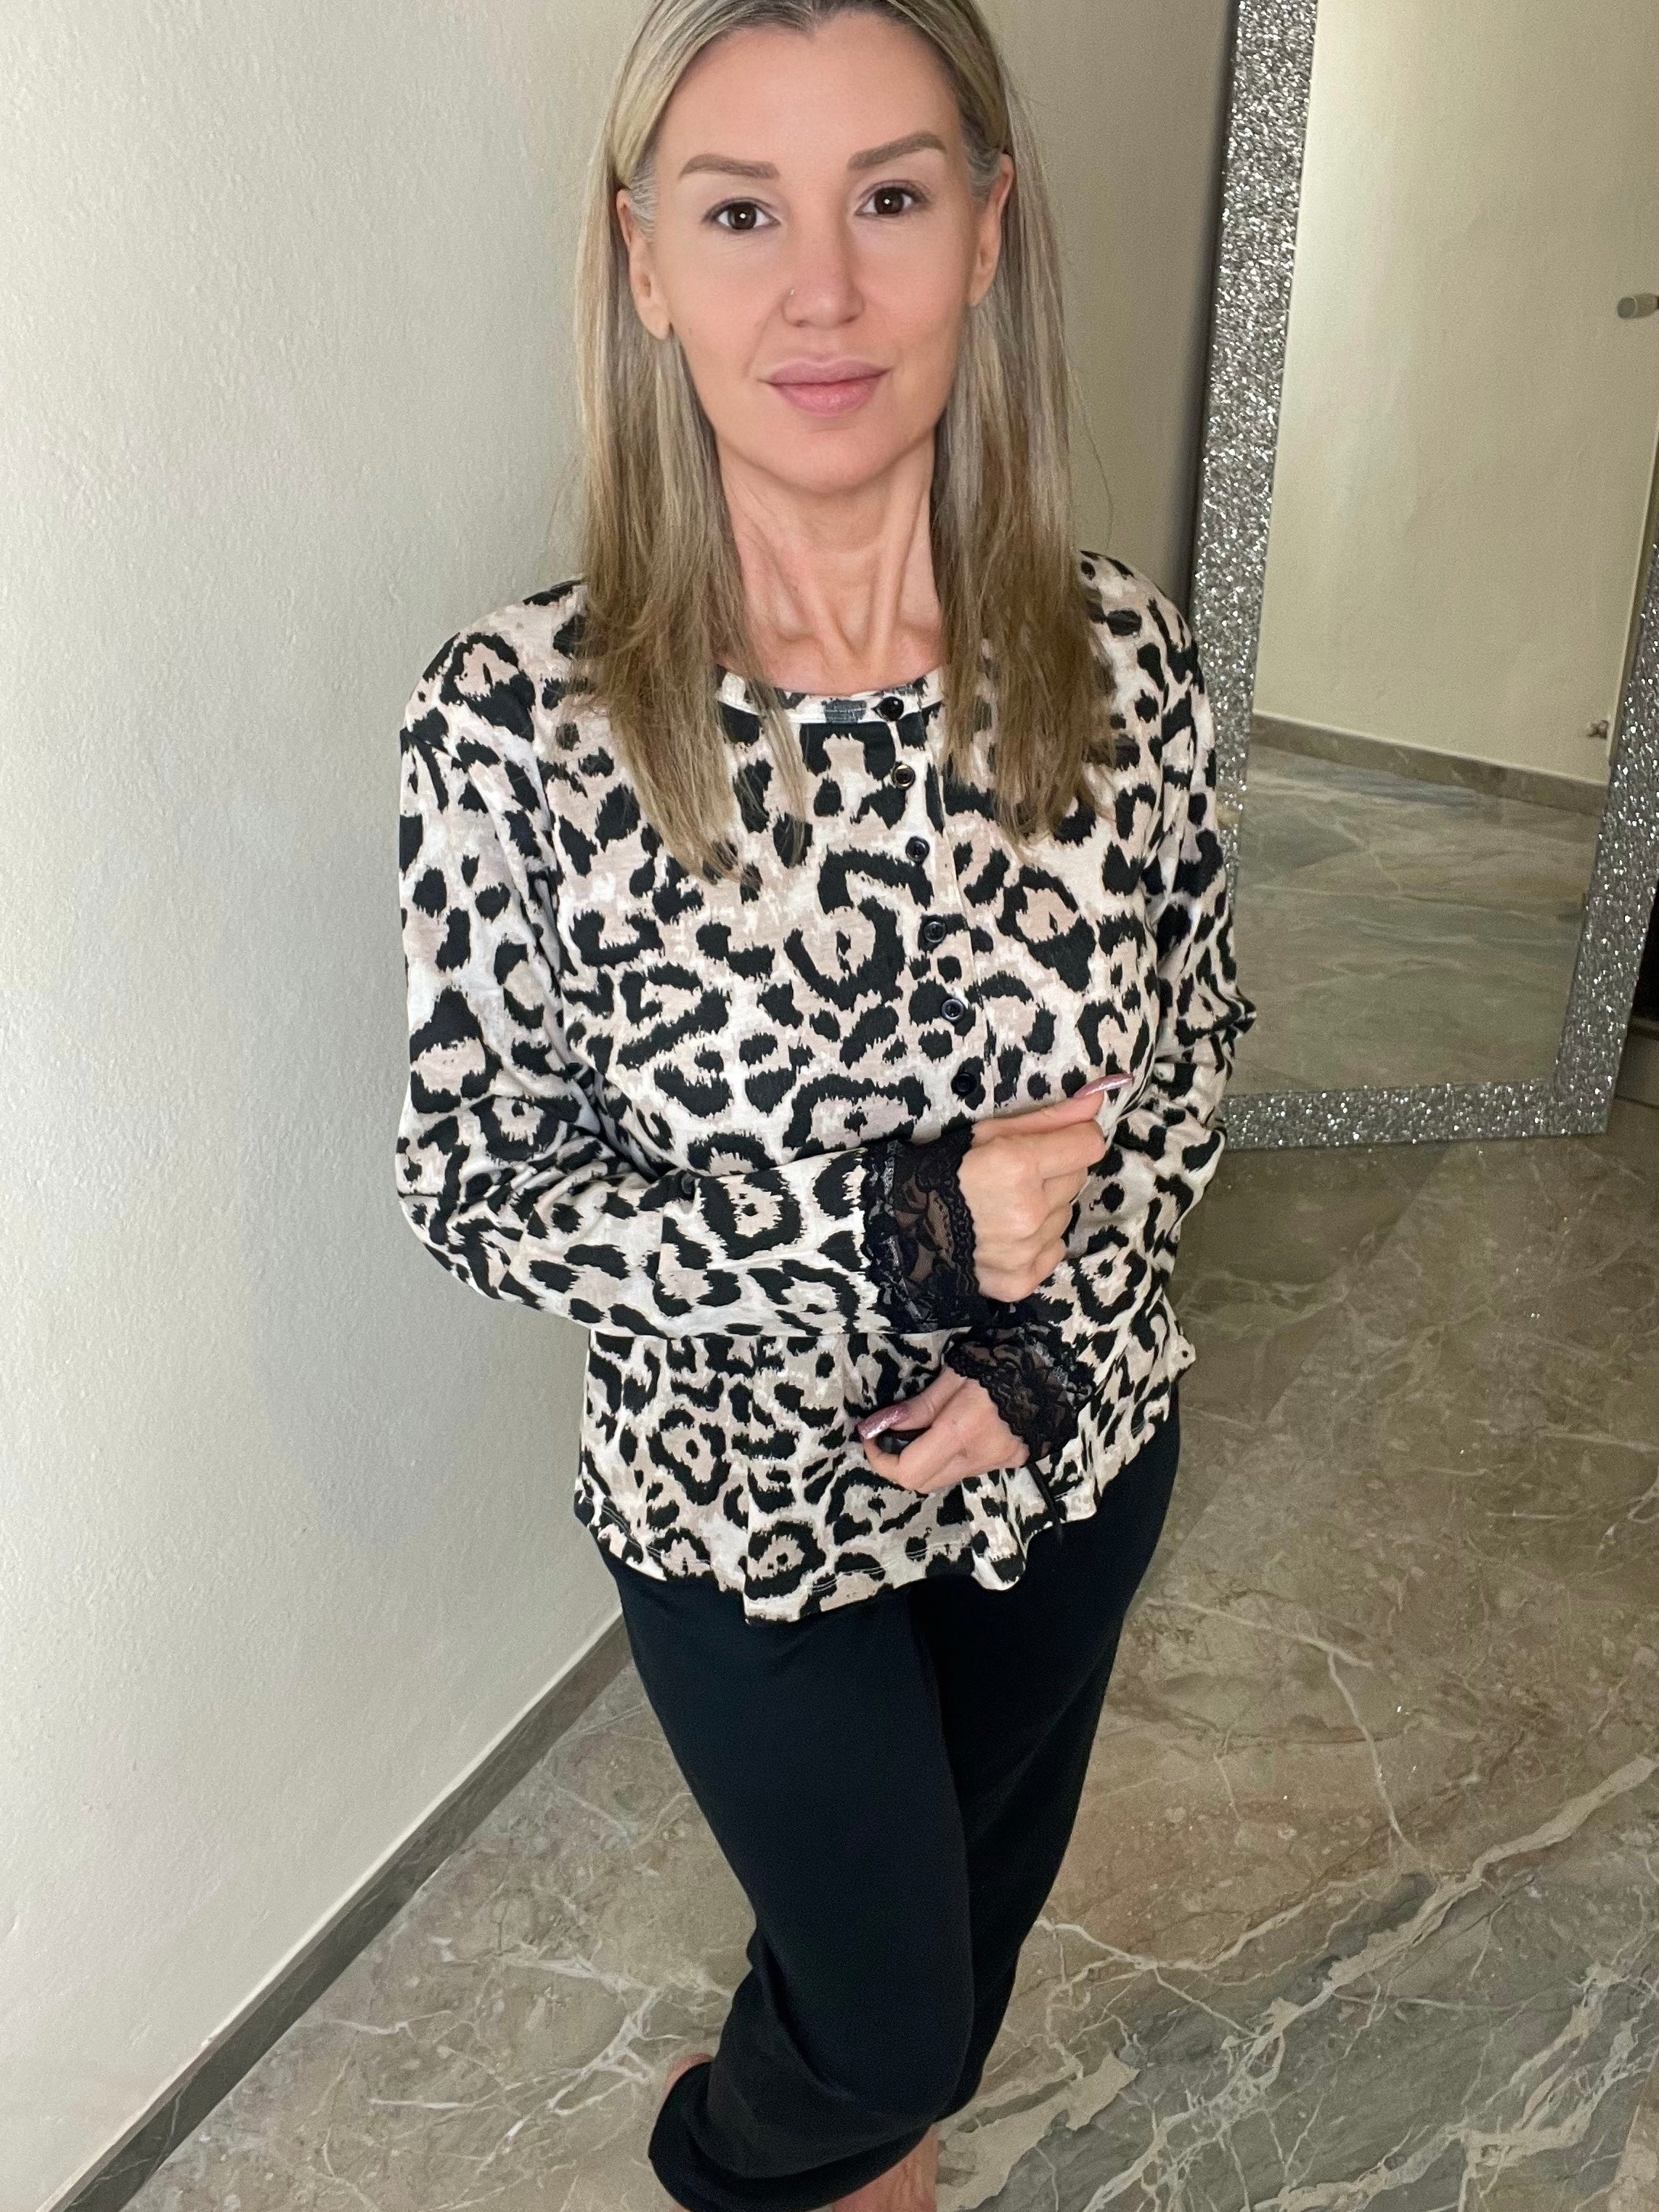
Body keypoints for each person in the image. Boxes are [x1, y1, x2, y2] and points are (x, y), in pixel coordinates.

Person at [394, 2, 1256, 2205]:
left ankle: (863, 2145)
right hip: (740, 1511)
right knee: (889, 2021)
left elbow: (1191, 1046)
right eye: (739, 212)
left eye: (888, 195)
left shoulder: (1123, 660)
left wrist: (1046, 1342)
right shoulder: (520, 722)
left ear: (988, 229)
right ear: (643, 262)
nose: (824, 290)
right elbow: (474, 1177)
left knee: (945, 1977)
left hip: (1068, 1459)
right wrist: (899, 1231)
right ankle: (745, 2157)